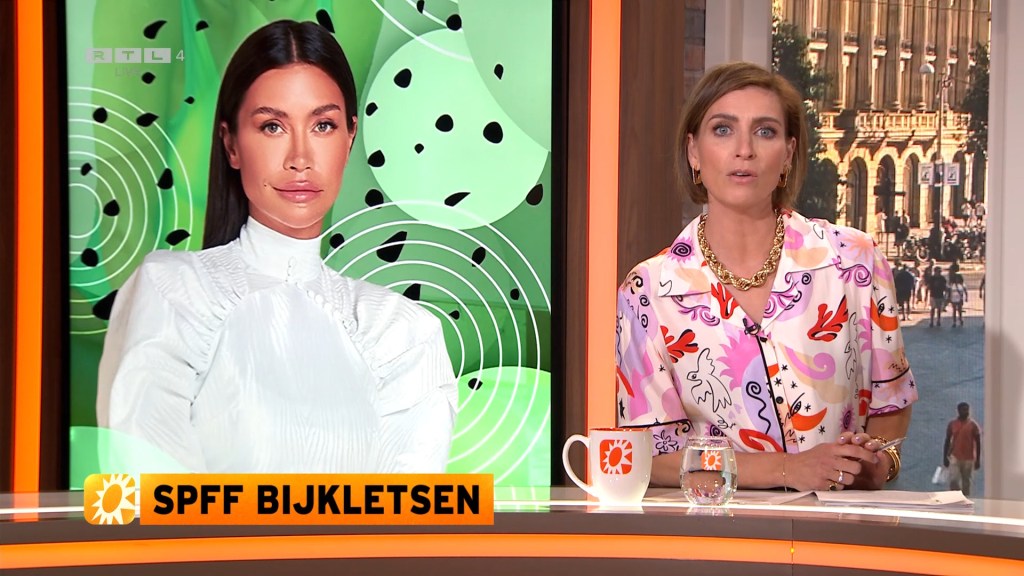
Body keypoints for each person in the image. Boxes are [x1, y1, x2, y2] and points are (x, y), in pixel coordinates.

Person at [96, 20, 457, 473]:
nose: (300, 158)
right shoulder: (171, 294)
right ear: (231, 143)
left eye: (322, 125)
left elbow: (407, 508)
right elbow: (150, 491)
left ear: (349, 138)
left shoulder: (403, 334)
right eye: (272, 127)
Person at [615, 62, 915, 492]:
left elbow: (891, 401)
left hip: (836, 524)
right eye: (722, 129)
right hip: (715, 528)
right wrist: (787, 469)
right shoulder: (647, 291)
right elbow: (650, 454)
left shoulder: (855, 261)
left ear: (788, 154)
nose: (744, 150)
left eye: (765, 131)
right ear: (694, 151)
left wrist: (879, 463)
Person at [944, 402, 982, 495]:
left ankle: (965, 498)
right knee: (954, 480)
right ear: (958, 411)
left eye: (967, 410)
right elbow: (947, 441)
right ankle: (956, 497)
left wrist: (977, 460)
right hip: (955, 457)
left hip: (969, 458)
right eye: (964, 410)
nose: (966, 412)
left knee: (966, 481)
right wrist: (945, 457)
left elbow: (978, 443)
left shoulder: (973, 425)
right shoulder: (952, 424)